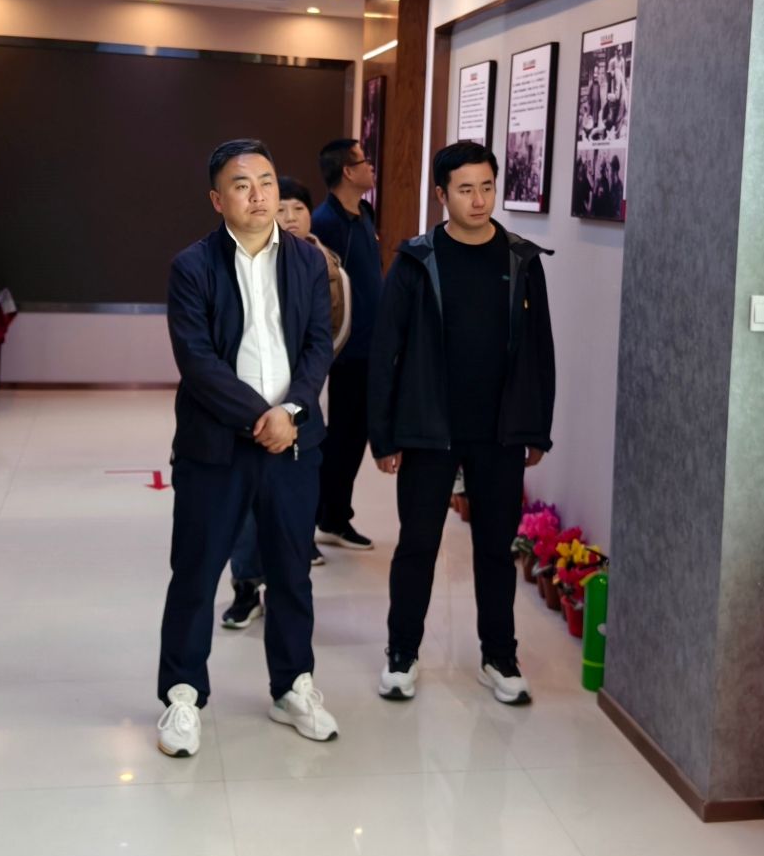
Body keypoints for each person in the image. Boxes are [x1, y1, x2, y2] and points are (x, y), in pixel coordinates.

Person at [156, 140, 336, 758]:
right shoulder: (193, 266)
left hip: (294, 443)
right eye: (242, 184)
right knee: (196, 571)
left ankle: (293, 687)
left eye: (266, 181)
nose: (259, 195)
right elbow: (197, 361)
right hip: (216, 446)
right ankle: (182, 695)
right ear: (218, 199)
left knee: (291, 572)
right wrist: (261, 417)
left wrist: (292, 412)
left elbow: (318, 346)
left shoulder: (308, 261)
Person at [371, 141, 556, 705]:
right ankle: (402, 652)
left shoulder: (521, 260)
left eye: (487, 187)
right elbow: (385, 350)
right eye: (466, 189)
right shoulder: (416, 260)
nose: (479, 200)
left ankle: (499, 656)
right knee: (417, 545)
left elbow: (541, 351)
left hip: (499, 431)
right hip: (429, 428)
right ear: (441, 194)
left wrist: (536, 428)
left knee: (496, 549)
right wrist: (385, 435)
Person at [221, 175, 346, 629]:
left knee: (291, 506)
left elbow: (330, 334)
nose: (290, 217)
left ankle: (285, 590)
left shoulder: (324, 265)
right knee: (246, 508)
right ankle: (246, 585)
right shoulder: (235, 260)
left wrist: (296, 399)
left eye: (298, 208)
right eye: (282, 208)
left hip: (302, 402)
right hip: (244, 408)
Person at [310, 136, 382, 553]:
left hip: (371, 345)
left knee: (355, 435)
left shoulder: (364, 214)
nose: (371, 167)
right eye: (363, 161)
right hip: (343, 350)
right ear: (348, 171)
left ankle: (335, 516)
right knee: (338, 437)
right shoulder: (324, 222)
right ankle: (323, 517)